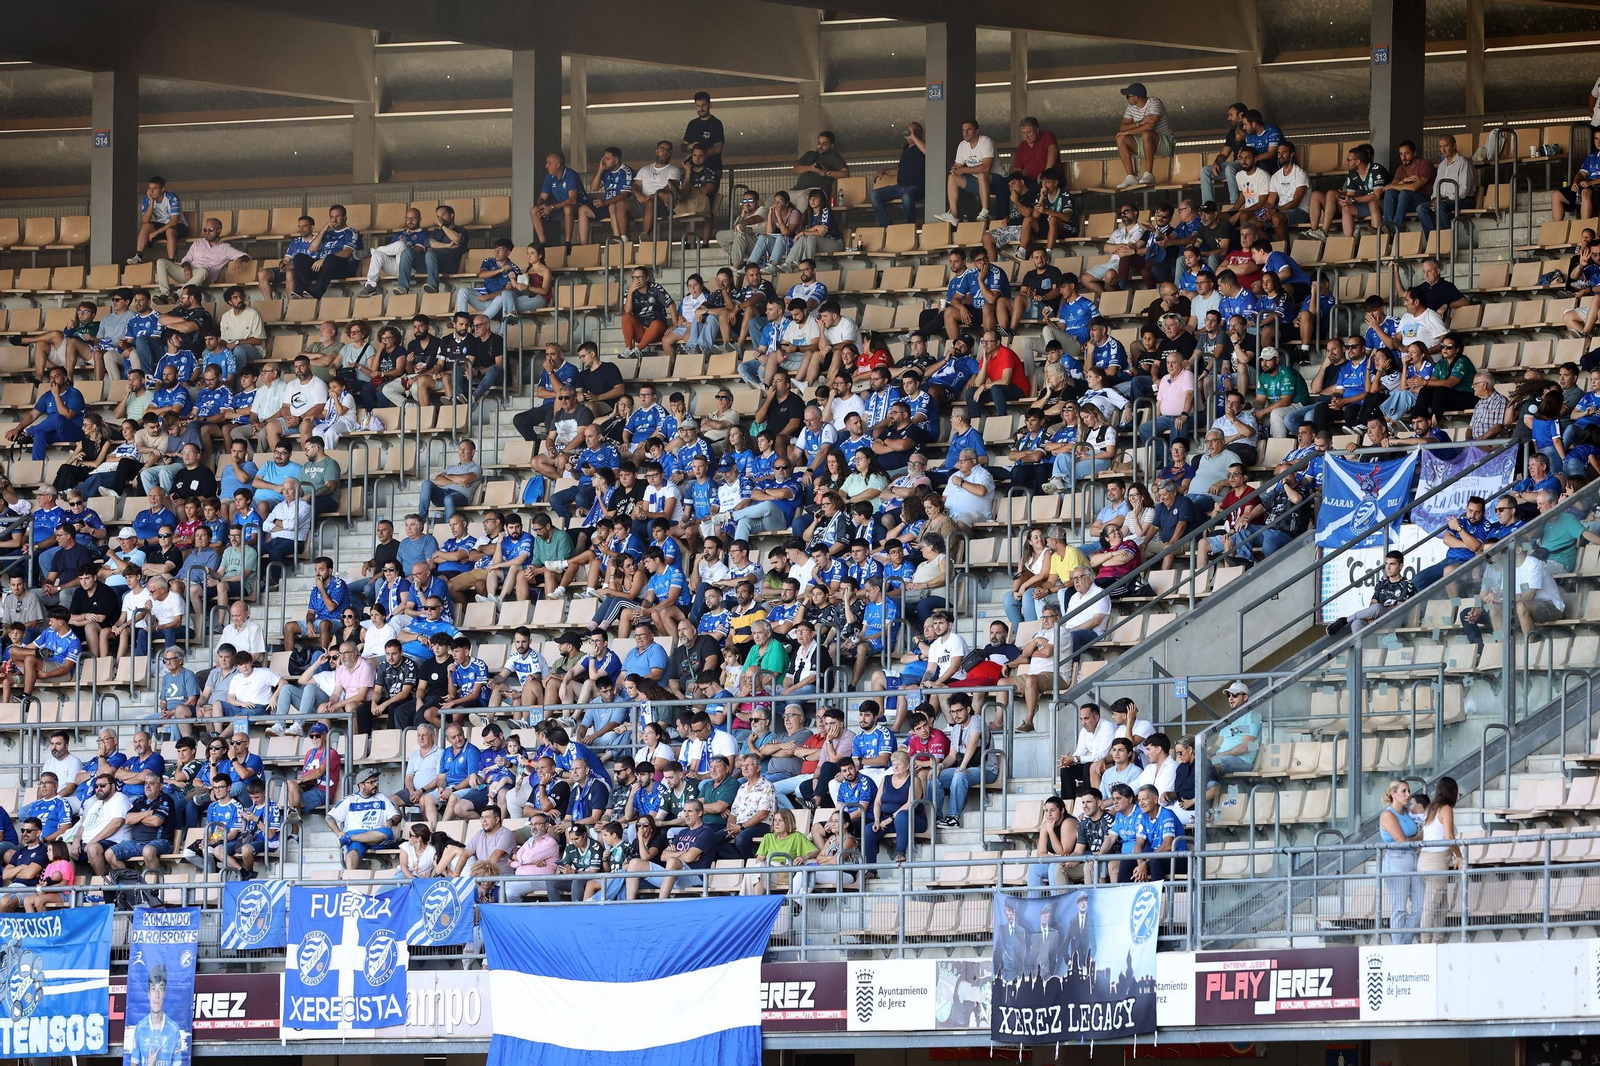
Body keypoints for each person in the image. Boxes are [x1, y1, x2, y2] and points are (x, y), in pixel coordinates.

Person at [1379, 779, 1424, 944]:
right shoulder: (1388, 815)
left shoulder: (1406, 813)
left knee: (1420, 906)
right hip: (1396, 860)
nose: (1408, 795)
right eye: (1404, 791)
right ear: (1394, 794)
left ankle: (1404, 943)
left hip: (1412, 858)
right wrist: (1418, 838)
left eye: (1408, 791)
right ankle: (1399, 946)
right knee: (1399, 907)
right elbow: (1401, 840)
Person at [1418, 776, 1460, 942]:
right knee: (1431, 905)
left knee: (1441, 904)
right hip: (1437, 861)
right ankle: (1426, 941)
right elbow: (1449, 837)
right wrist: (1459, 855)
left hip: (1425, 859)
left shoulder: (1431, 808)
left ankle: (1439, 939)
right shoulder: (1446, 809)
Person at [1113, 82, 1174, 190]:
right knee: (1120, 138)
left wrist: (1127, 132)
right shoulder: (1131, 107)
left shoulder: (1155, 103)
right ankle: (1131, 176)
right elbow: (1123, 127)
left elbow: (1149, 126)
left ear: (1137, 97)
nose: (1127, 99)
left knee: (1146, 133)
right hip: (1144, 144)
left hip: (1164, 145)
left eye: (1128, 96)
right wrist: (1139, 122)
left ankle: (1149, 174)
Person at [871, 122, 927, 226]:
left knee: (906, 196)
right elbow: (899, 169)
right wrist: (884, 171)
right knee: (874, 194)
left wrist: (914, 137)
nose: (910, 133)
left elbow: (927, 151)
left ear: (920, 133)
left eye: (914, 131)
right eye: (909, 131)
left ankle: (908, 227)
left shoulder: (922, 147)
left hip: (916, 187)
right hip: (900, 186)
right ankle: (887, 226)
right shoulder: (906, 150)